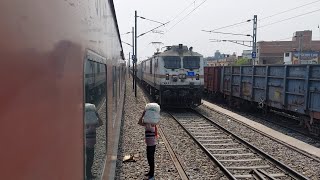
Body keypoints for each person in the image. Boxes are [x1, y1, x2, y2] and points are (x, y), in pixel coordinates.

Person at [138, 110, 158, 180]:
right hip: (148, 143)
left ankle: (152, 175)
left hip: (152, 143)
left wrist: (152, 114)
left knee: (151, 158)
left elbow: (155, 121)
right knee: (149, 158)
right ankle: (150, 172)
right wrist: (142, 115)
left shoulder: (152, 123)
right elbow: (139, 122)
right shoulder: (146, 123)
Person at [85, 103, 103, 180]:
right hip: (89, 143)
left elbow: (101, 123)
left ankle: (88, 174)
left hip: (89, 143)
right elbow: (101, 123)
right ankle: (88, 174)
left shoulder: (89, 122)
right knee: (89, 159)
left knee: (89, 159)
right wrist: (97, 115)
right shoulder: (93, 122)